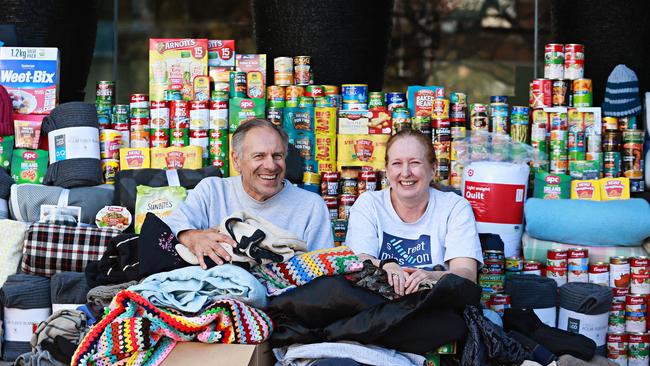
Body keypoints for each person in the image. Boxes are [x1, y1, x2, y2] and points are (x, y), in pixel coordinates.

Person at [164, 118, 333, 269]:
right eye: (259, 156)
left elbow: (323, 270)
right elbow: (170, 226)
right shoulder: (212, 191)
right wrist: (192, 237)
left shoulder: (311, 206)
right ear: (236, 161)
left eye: (277, 156)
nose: (271, 165)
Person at [345, 129, 483, 296]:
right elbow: (356, 262)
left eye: (415, 162)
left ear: (433, 168)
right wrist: (386, 265)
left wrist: (431, 276)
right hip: (381, 310)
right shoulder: (369, 204)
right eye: (396, 163)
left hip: (435, 307)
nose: (405, 172)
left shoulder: (454, 207)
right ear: (387, 170)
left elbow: (466, 275)